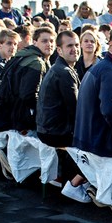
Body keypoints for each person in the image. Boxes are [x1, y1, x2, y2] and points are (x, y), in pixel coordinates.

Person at [72, 28, 112, 210]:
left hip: (86, 138)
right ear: (111, 46)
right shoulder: (111, 71)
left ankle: (95, 189)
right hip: (100, 142)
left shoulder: (102, 66)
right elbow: (110, 109)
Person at [36, 30, 87, 197]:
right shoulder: (64, 72)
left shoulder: (61, 68)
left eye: (77, 45)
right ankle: (74, 184)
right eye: (70, 46)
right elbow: (77, 109)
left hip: (48, 129)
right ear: (59, 50)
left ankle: (71, 180)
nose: (75, 49)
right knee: (98, 143)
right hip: (55, 132)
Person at [0, 24, 55, 133]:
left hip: (13, 116)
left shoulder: (24, 55)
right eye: (44, 41)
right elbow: (28, 95)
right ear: (34, 42)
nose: (49, 44)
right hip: (24, 120)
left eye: (52, 41)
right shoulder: (36, 62)